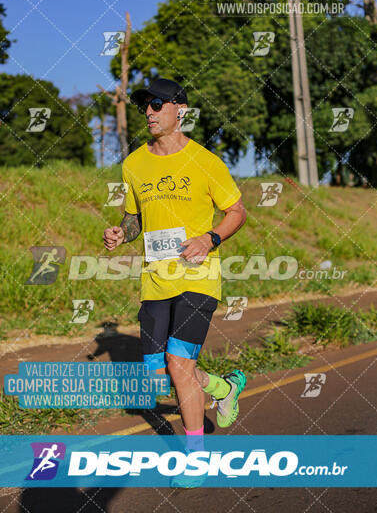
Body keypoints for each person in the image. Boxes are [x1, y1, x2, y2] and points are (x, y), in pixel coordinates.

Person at [103, 78, 247, 486]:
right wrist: (119, 233)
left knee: (179, 362)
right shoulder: (134, 164)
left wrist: (210, 238)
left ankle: (196, 459)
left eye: (157, 104)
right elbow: (134, 219)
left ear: (179, 109)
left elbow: (237, 210)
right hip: (155, 280)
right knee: (159, 373)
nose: (148, 111)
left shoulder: (205, 160)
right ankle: (222, 386)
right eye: (144, 105)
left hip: (197, 276)